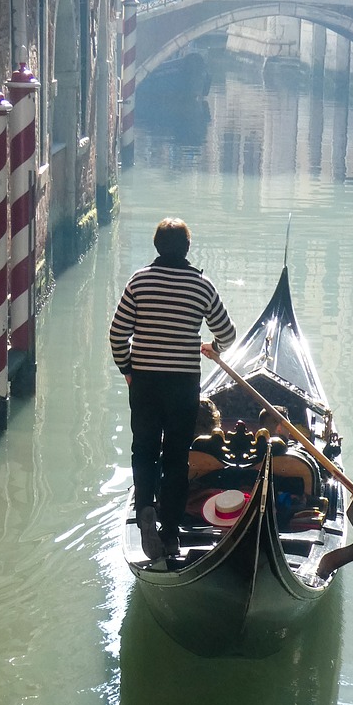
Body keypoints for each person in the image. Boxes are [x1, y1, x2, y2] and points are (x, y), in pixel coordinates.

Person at [110, 218, 236, 560]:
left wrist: (128, 370)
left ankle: (145, 508)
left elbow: (117, 334)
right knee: (177, 458)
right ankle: (170, 532)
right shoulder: (201, 285)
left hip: (146, 381)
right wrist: (213, 348)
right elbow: (227, 333)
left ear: (156, 247)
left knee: (145, 450)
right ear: (187, 249)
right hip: (183, 383)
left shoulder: (139, 282)